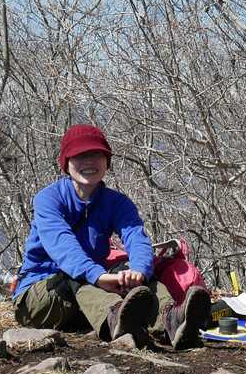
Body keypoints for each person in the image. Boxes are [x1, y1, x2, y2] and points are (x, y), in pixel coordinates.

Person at [11, 124, 159, 342]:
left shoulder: (117, 203)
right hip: (40, 298)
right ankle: (117, 317)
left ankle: (171, 317)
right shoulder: (48, 199)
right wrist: (99, 277)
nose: (89, 162)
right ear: (66, 163)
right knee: (74, 275)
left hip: (86, 299)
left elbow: (136, 238)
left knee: (136, 271)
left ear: (107, 161)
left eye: (96, 155)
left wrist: (138, 272)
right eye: (80, 156)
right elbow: (65, 248)